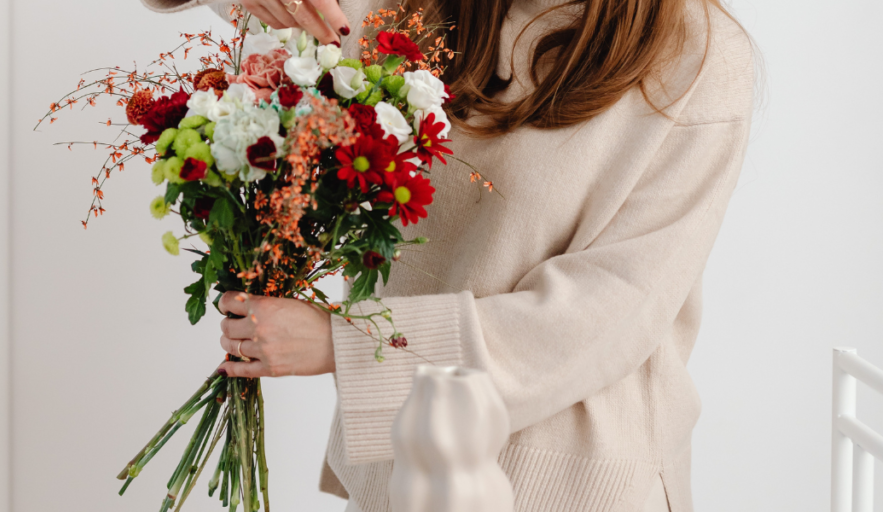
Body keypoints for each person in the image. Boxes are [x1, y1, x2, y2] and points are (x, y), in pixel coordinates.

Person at [141, 0, 754, 510]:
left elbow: (607, 315)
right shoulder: (426, 8)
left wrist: (347, 343)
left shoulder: (700, 60)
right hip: (409, 465)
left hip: (575, 482)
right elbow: (289, 26)